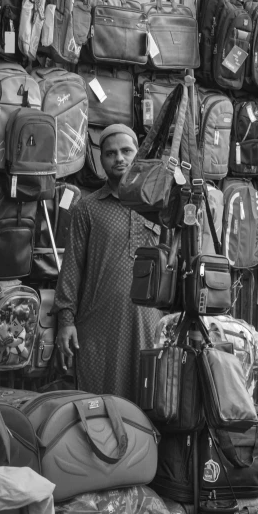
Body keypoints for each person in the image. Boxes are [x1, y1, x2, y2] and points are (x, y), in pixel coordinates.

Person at [52, 123, 161, 401]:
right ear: (101, 160)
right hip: (98, 327)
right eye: (111, 153)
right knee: (99, 406)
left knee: (149, 402)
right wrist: (66, 320)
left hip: (150, 324)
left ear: (138, 154)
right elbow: (72, 267)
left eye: (126, 151)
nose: (119, 158)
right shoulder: (87, 208)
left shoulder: (159, 206)